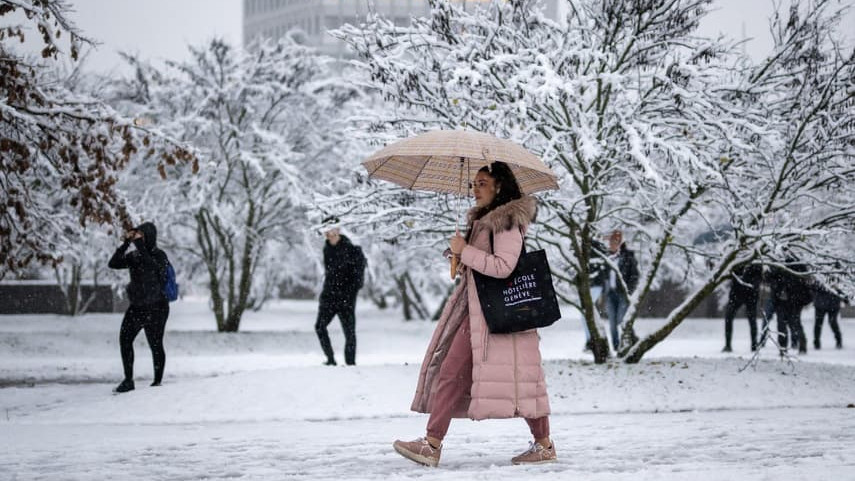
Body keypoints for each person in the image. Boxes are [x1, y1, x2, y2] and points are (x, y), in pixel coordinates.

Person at [393, 161, 555, 468]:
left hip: (494, 314)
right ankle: (542, 444)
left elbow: (503, 267)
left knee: (496, 376)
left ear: (499, 186)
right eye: (473, 184)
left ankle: (432, 443)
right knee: (505, 377)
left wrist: (465, 251)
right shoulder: (484, 221)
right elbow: (485, 263)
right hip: (482, 313)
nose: (474, 189)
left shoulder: (505, 221)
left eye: (481, 183)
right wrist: (459, 253)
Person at [108, 222, 170, 393]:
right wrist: (126, 243)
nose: (137, 238)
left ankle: (157, 382)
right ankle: (128, 380)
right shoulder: (134, 255)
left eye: (140, 234)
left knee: (155, 343)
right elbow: (113, 263)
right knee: (125, 339)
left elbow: (153, 268)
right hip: (138, 307)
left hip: (157, 307)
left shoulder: (159, 255)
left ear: (149, 236)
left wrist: (140, 246)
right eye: (136, 235)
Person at [315, 218, 366, 366]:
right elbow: (330, 274)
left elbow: (358, 279)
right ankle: (330, 359)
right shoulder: (327, 249)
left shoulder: (354, 250)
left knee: (349, 332)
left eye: (330, 229)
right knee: (319, 327)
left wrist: (349, 294)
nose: (327, 233)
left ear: (337, 230)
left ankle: (350, 364)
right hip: (328, 297)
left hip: (346, 299)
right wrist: (326, 294)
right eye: (325, 230)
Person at [600, 230, 639, 351]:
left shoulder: (628, 256)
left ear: (620, 243)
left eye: (616, 242)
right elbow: (603, 275)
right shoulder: (606, 257)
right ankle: (616, 347)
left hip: (623, 294)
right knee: (612, 322)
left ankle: (630, 340)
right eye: (611, 242)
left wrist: (629, 290)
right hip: (610, 293)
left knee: (621, 319)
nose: (612, 244)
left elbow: (634, 275)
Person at [768, 260, 812, 355]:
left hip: (793, 300)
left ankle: (795, 345)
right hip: (784, 299)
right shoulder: (779, 262)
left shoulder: (793, 263)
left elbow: (803, 281)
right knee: (785, 324)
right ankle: (785, 348)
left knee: (792, 323)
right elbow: (771, 278)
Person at [722, 264, 762, 352]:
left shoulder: (756, 260)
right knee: (729, 317)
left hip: (750, 295)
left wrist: (750, 285)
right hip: (736, 294)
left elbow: (758, 278)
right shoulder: (737, 259)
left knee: (752, 320)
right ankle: (728, 345)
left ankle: (754, 345)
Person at [812, 282, 845, 349]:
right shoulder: (820, 276)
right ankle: (817, 342)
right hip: (823, 304)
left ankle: (838, 340)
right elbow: (813, 287)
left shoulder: (837, 276)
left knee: (830, 322)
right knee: (820, 323)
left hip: (830, 304)